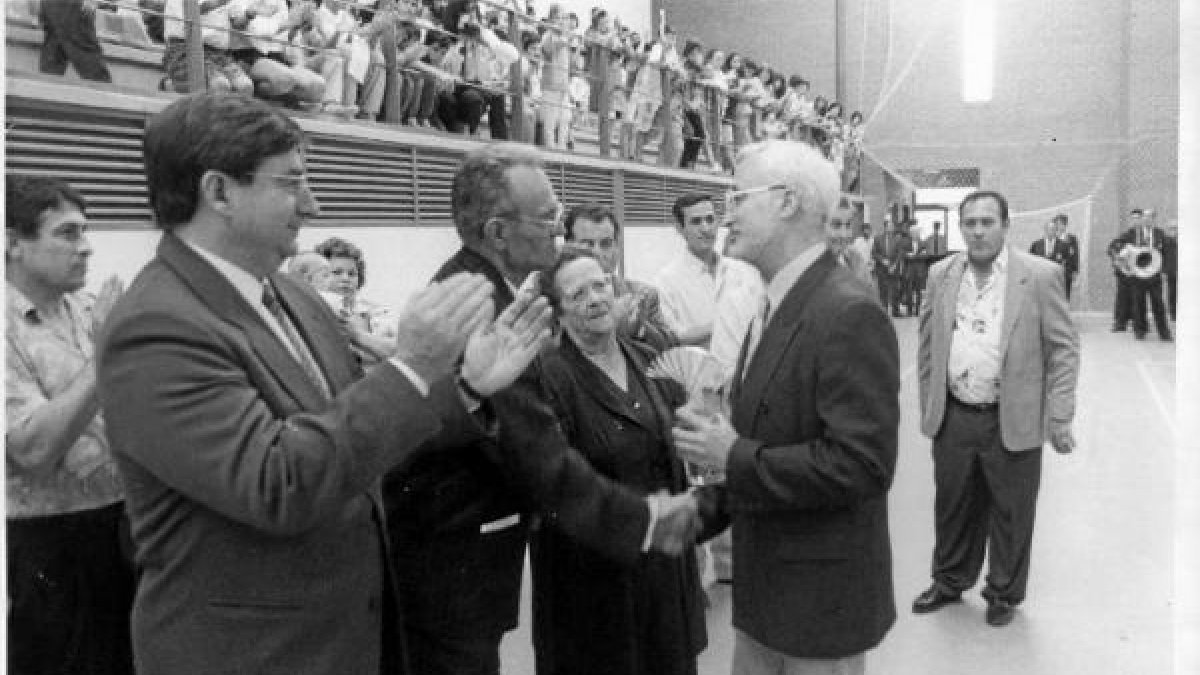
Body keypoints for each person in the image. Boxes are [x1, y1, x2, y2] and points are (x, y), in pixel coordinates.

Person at [95, 92, 551, 675]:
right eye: (290, 183)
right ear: (218, 192)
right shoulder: (156, 327)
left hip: (344, 636)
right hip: (253, 654)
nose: (311, 202)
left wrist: (463, 386)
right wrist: (412, 364)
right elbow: (278, 482)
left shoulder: (295, 296)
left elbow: (351, 430)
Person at [383, 143, 698, 675]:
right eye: (549, 216)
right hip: (450, 568)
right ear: (497, 233)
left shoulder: (495, 294)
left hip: (466, 562)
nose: (559, 230)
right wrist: (640, 518)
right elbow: (535, 453)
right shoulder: (477, 310)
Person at [672, 140, 900, 675]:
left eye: (739, 198)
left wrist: (733, 452)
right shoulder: (772, 299)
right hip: (767, 593)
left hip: (818, 609)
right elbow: (774, 437)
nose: (728, 216)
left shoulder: (845, 312)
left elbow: (862, 464)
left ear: (788, 202)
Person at [530, 247, 707, 675]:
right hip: (592, 577)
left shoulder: (648, 360)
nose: (594, 298)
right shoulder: (547, 377)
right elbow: (556, 484)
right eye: (577, 294)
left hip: (663, 565)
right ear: (558, 311)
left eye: (600, 285)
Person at [912, 190, 1080, 628]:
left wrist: (1060, 416)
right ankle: (949, 582)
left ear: (1006, 225)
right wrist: (930, 403)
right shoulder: (941, 274)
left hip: (1013, 415)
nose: (978, 231)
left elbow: (1064, 349)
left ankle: (1003, 591)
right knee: (952, 506)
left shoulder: (1040, 276)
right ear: (960, 227)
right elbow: (927, 344)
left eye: (987, 222)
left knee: (1011, 510)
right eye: (970, 223)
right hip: (955, 415)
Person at [6, 175, 134, 675]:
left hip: (116, 525)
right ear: (13, 243)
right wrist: (108, 351)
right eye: (67, 233)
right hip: (46, 543)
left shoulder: (85, 310)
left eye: (86, 232)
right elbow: (32, 450)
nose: (86, 248)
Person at [654, 192, 765, 377]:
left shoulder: (743, 271)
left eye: (710, 219)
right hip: (701, 385)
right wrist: (727, 322)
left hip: (749, 376)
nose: (706, 228)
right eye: (696, 222)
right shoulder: (666, 281)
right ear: (680, 229)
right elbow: (671, 338)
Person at [564, 203, 676, 350]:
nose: (597, 253)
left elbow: (670, 347)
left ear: (617, 248)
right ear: (568, 247)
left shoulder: (643, 296)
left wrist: (638, 327)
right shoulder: (554, 298)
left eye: (606, 244)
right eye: (587, 245)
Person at [1120, 207, 1172, 341]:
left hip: (1155, 276)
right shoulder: (1132, 234)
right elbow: (1118, 248)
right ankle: (1140, 331)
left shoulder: (1160, 234)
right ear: (1142, 218)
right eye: (1145, 217)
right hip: (1137, 276)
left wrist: (1165, 271)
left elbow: (1167, 254)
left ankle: (1164, 333)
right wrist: (1125, 262)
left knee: (1158, 304)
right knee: (1138, 303)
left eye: (1150, 217)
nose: (1147, 219)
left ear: (1154, 219)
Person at [38, 0, 112, 82]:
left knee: (53, 58)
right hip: (72, 7)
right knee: (94, 70)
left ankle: (46, 91)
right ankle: (102, 93)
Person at [871, 215, 907, 317]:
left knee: (895, 290)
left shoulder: (897, 239)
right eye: (890, 226)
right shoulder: (877, 238)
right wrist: (882, 260)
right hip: (881, 269)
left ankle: (896, 312)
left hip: (893, 269)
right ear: (885, 227)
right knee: (883, 291)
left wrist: (894, 265)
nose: (892, 228)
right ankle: (884, 313)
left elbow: (900, 254)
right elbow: (874, 253)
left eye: (892, 226)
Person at [1055, 213, 1080, 300]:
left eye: (1060, 224)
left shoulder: (1072, 238)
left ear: (1065, 225)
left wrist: (1075, 271)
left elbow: (1075, 255)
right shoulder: (1053, 238)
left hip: (1067, 272)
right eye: (1056, 224)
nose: (1058, 226)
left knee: (1066, 295)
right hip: (1055, 271)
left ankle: (1064, 311)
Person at [1162, 218, 1178, 321]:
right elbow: (1162, 257)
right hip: (1171, 271)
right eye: (1172, 228)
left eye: (1176, 228)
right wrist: (1163, 271)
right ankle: (1173, 314)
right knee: (1172, 293)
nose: (1174, 230)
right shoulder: (1166, 241)